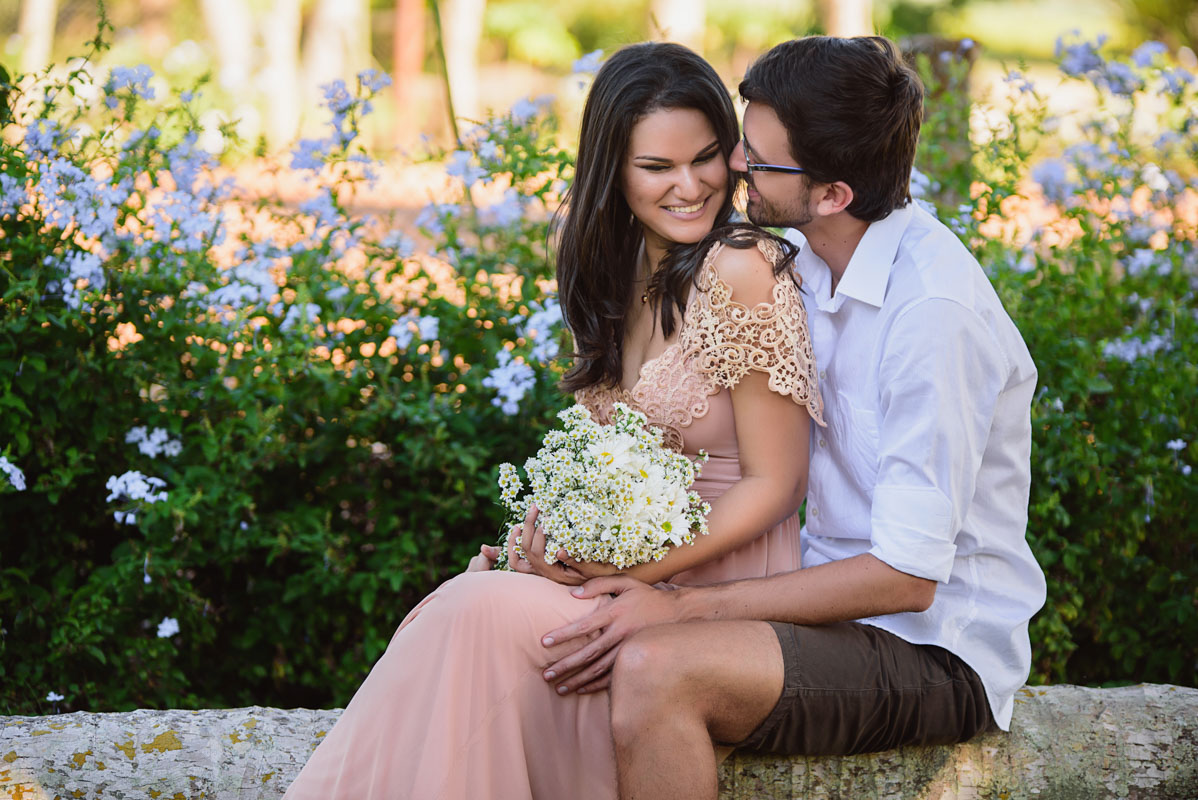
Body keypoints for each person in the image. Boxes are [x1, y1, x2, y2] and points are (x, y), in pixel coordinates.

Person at [282, 41, 824, 800]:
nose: (691, 186)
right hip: (623, 572)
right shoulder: (599, 261)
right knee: (466, 605)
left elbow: (778, 482)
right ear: (611, 169)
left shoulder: (741, 269)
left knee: (468, 617)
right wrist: (543, 543)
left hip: (721, 586)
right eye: (656, 167)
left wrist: (627, 576)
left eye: (706, 158)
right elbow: (608, 463)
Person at [538, 35, 1048, 799]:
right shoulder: (804, 260)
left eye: (757, 157)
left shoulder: (933, 318)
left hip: (932, 649)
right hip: (820, 606)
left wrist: (678, 608)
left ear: (834, 193)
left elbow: (905, 579)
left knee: (654, 667)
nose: (733, 164)